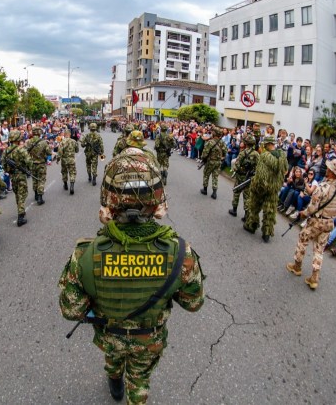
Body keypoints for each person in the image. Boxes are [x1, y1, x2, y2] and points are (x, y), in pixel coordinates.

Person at [58, 146, 204, 403]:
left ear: (108, 201)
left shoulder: (86, 254)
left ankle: (114, 379)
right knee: (140, 380)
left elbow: (71, 311)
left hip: (110, 335)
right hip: (149, 339)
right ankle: (134, 393)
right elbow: (193, 304)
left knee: (113, 360)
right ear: (159, 201)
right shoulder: (181, 253)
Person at [286, 159, 336, 289]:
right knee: (319, 250)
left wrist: (304, 213)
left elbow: (313, 207)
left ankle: (297, 266)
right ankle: (314, 278)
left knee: (303, 239)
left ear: (332, 172)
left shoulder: (323, 187)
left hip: (317, 221)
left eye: (329, 169)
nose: (327, 170)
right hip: (329, 222)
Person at [244, 136, 289, 242]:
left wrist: (255, 186)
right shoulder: (282, 156)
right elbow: (285, 171)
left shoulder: (264, 156)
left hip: (262, 187)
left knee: (254, 206)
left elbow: (260, 174)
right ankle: (267, 233)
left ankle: (252, 226)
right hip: (274, 189)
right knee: (270, 210)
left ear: (267, 144)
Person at [3, 130, 32, 226]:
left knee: (17, 193)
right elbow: (29, 162)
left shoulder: (6, 151)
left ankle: (21, 210)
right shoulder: (21, 150)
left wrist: (9, 171)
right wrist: (28, 169)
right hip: (21, 175)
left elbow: (3, 164)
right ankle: (21, 216)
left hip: (12, 176)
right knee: (22, 194)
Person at [229, 134, 258, 220]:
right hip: (249, 179)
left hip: (240, 177)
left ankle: (234, 210)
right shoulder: (256, 154)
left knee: (236, 193)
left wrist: (236, 170)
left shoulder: (242, 153)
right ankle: (246, 215)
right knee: (247, 196)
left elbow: (236, 166)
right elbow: (258, 167)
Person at [199, 128, 228, 200]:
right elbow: (225, 151)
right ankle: (214, 193)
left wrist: (203, 159)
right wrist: (221, 157)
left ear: (214, 133)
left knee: (206, 174)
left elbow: (205, 153)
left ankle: (205, 190)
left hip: (210, 161)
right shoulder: (222, 142)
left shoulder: (210, 142)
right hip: (218, 162)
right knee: (215, 177)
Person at [26, 126, 52, 204]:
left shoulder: (29, 142)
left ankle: (36, 195)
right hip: (41, 164)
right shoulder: (43, 142)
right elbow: (49, 153)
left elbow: (26, 152)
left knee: (35, 179)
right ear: (39, 132)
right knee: (41, 179)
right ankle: (40, 197)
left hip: (32, 164)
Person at [57, 129, 79, 195]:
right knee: (72, 172)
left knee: (64, 172)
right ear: (70, 134)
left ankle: (65, 185)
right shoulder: (74, 141)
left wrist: (58, 159)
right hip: (71, 160)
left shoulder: (62, 142)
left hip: (64, 160)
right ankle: (72, 186)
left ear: (64, 134)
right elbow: (77, 150)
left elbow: (60, 152)